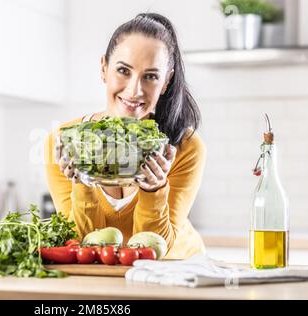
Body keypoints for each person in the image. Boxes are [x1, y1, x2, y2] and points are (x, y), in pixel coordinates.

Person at [44, 13, 206, 259]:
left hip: (178, 272)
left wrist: (155, 188)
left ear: (166, 81)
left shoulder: (185, 146)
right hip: (108, 279)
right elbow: (81, 244)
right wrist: (83, 183)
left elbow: (156, 250)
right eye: (123, 70)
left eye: (150, 76)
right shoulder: (64, 143)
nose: (134, 90)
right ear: (103, 68)